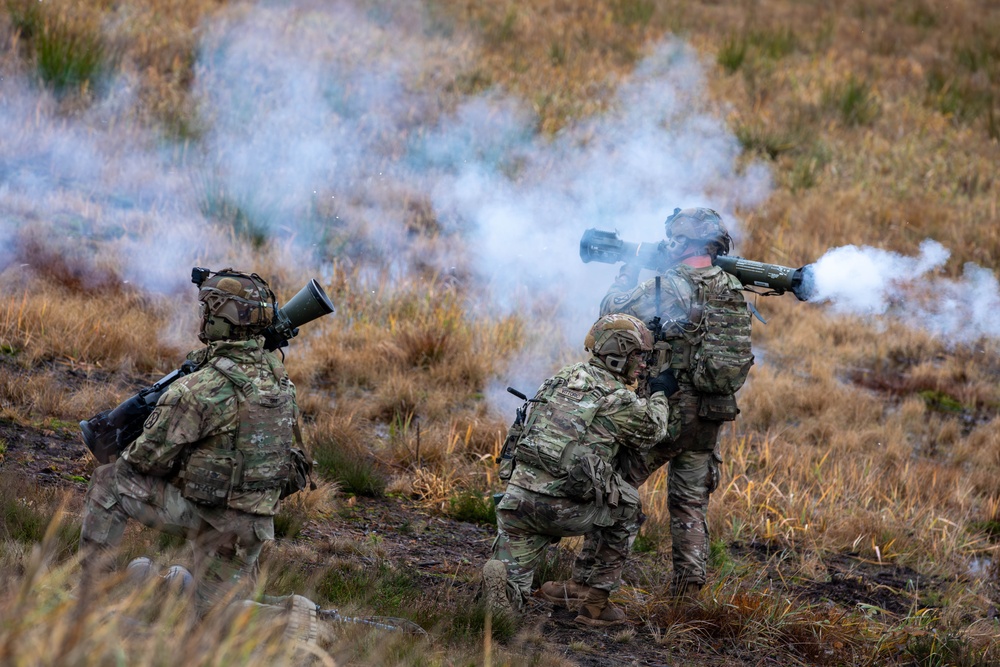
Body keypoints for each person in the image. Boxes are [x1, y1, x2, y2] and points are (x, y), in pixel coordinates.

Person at [547, 207, 754, 602]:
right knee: (690, 504)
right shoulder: (730, 285)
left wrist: (628, 270)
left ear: (684, 242)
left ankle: (590, 588)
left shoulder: (672, 285)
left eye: (674, 238)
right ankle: (687, 598)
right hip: (711, 414)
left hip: (668, 410)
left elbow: (611, 314)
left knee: (616, 487)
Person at [79, 268, 308, 614]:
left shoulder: (198, 388)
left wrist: (130, 446)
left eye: (207, 312)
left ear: (220, 320)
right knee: (208, 622)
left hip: (210, 519)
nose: (202, 319)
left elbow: (143, 462)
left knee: (108, 482)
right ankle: (290, 613)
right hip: (255, 529)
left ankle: (92, 601)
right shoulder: (280, 382)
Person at [482, 313, 678, 627]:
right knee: (627, 506)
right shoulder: (616, 398)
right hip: (563, 509)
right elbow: (653, 431)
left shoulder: (561, 377)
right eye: (638, 356)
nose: (643, 363)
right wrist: (659, 393)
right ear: (618, 356)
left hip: (516, 501)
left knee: (511, 590)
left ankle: (502, 597)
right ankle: (596, 605)